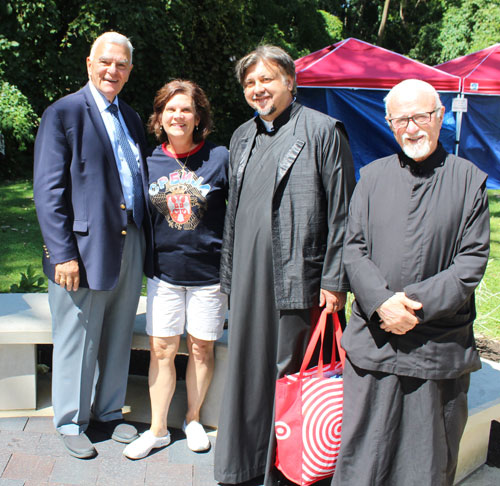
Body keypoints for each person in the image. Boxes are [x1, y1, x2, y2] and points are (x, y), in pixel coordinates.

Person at [333, 79, 490, 486]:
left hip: (436, 347)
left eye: (421, 116)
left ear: (440, 117)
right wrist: (381, 303)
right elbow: (354, 248)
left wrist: (412, 305)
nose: (412, 127)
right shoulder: (371, 177)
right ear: (389, 123)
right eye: (401, 118)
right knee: (364, 459)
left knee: (426, 464)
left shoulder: (469, 181)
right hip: (375, 345)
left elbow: (470, 262)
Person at [214, 45, 356, 485]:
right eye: (250, 83)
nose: (258, 89)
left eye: (267, 79)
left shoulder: (323, 130)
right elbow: (233, 214)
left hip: (301, 277)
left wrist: (334, 280)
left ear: (290, 82)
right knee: (247, 372)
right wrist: (229, 279)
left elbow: (343, 212)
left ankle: (285, 471)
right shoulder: (241, 136)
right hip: (248, 278)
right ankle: (242, 465)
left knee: (288, 374)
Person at [33, 31, 152, 459]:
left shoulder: (132, 118)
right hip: (81, 250)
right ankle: (70, 420)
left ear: (129, 71)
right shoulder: (63, 112)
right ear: (89, 63)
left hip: (129, 238)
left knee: (119, 331)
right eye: (105, 62)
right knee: (78, 336)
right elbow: (48, 192)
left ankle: (108, 413)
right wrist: (61, 252)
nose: (112, 71)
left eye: (121, 65)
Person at [123, 80, 229, 460]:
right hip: (164, 274)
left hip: (208, 276)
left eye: (185, 109)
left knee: (201, 348)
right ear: (159, 117)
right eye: (170, 109)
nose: (178, 116)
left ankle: (193, 419)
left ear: (198, 116)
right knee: (161, 350)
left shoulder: (220, 157)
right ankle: (156, 430)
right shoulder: (148, 160)